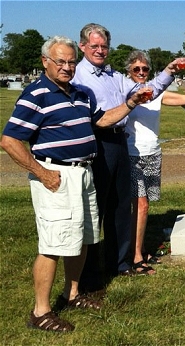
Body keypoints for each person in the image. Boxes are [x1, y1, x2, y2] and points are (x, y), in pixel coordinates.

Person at [0, 36, 150, 332]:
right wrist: (42, 173)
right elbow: (10, 140)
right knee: (53, 244)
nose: (67, 67)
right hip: (56, 177)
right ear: (45, 62)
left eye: (71, 62)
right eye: (61, 62)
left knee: (81, 238)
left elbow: (103, 120)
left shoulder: (81, 93)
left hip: (84, 174)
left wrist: (131, 103)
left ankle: (72, 294)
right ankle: (40, 311)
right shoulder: (36, 94)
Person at [71, 23, 183, 289]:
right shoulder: (79, 76)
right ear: (82, 46)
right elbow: (99, 117)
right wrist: (131, 102)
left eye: (104, 46)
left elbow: (145, 92)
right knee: (95, 209)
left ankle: (120, 264)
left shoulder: (113, 76)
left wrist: (168, 71)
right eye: (94, 46)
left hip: (120, 142)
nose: (100, 51)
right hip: (98, 143)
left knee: (121, 207)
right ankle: (88, 273)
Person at [124, 50, 185, 274]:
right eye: (136, 69)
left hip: (153, 153)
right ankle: (136, 257)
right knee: (141, 205)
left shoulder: (155, 94)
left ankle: (140, 248)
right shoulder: (123, 91)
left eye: (145, 69)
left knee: (143, 206)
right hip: (130, 154)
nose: (141, 72)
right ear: (128, 70)